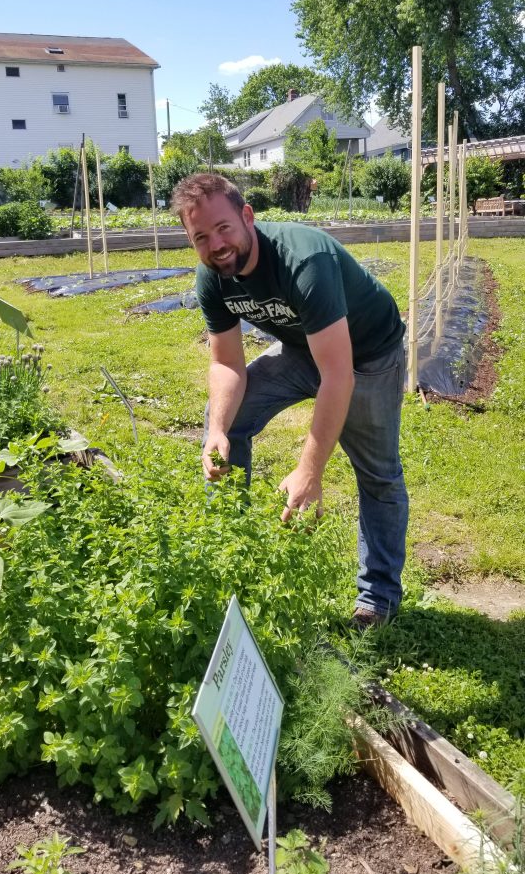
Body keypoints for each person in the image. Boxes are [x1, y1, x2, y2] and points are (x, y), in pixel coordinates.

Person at [170, 173, 408, 627]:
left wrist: (309, 471)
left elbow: (338, 375)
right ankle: (229, 556)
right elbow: (225, 366)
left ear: (247, 216)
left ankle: (377, 598)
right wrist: (217, 429)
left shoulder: (303, 259)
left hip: (368, 354)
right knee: (228, 420)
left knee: (377, 473)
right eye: (200, 236)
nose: (215, 244)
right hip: (303, 348)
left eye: (223, 228)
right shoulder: (213, 278)